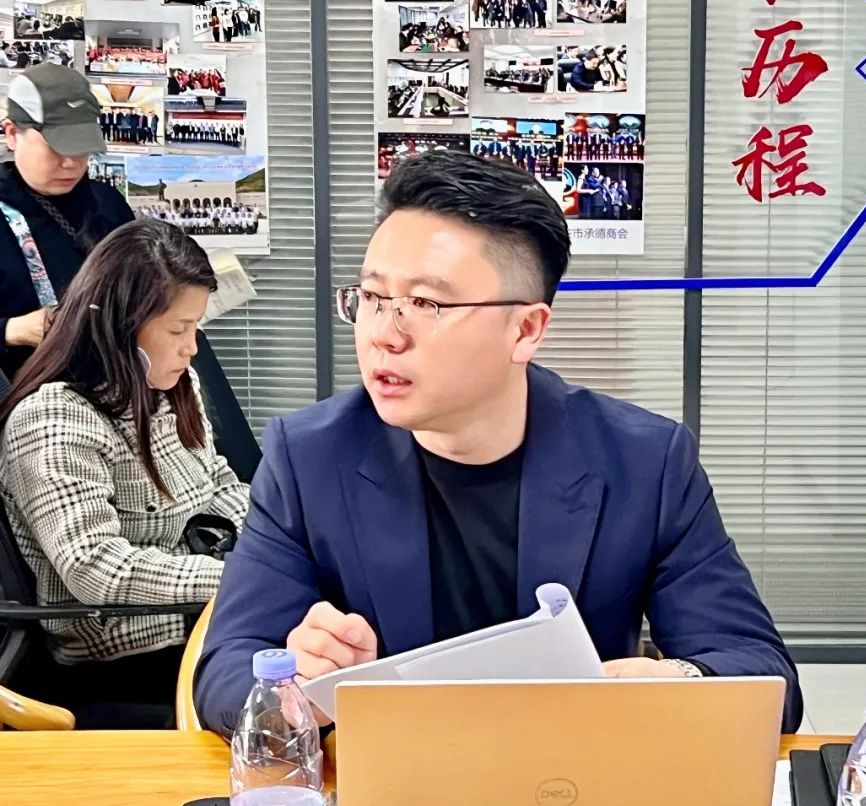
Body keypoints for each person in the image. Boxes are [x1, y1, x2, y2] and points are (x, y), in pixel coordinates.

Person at [194, 150, 803, 735]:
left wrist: (678, 682)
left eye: (425, 302)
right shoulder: (309, 458)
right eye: (374, 297)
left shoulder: (645, 462)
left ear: (526, 329)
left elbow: (762, 675)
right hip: (394, 777)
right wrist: (292, 689)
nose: (384, 334)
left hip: (570, 776)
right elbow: (225, 671)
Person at [0, 218, 250, 721]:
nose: (192, 347)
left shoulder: (171, 384)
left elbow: (218, 483)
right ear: (120, 326)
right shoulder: (53, 419)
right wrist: (242, 579)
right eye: (178, 329)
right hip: (127, 645)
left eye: (196, 327)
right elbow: (99, 571)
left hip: (201, 610)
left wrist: (275, 546)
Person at [0, 63, 135, 382]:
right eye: (56, 147)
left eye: (82, 147)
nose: (71, 162)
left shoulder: (108, 204)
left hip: (114, 385)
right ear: (12, 134)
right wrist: (12, 330)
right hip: (26, 395)